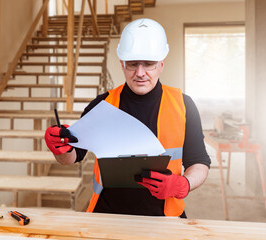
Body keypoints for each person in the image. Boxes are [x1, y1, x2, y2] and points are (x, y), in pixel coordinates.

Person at [44, 18, 210, 218]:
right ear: (122, 64)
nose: (140, 73)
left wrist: (183, 184)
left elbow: (199, 163)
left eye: (148, 64)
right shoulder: (102, 105)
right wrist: (60, 147)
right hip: (106, 216)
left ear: (161, 64)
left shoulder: (183, 105)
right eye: (132, 64)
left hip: (165, 217)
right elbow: (71, 158)